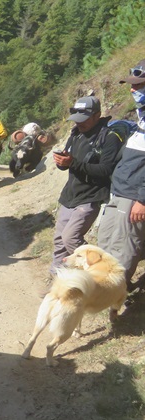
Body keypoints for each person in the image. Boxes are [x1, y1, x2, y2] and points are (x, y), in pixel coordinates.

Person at [47, 96, 124, 284]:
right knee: (59, 242)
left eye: (84, 119)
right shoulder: (76, 134)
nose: (79, 123)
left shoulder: (109, 138)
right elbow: (69, 163)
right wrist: (62, 163)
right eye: (77, 119)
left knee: (70, 239)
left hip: (90, 197)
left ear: (97, 115)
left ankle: (102, 275)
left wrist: (73, 163)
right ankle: (57, 282)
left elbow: (106, 170)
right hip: (70, 195)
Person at [97, 59, 145, 291]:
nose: (132, 89)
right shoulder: (141, 119)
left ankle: (113, 298)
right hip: (120, 192)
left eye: (139, 84)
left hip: (133, 196)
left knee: (123, 249)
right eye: (131, 84)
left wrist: (142, 199)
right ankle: (105, 293)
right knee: (106, 243)